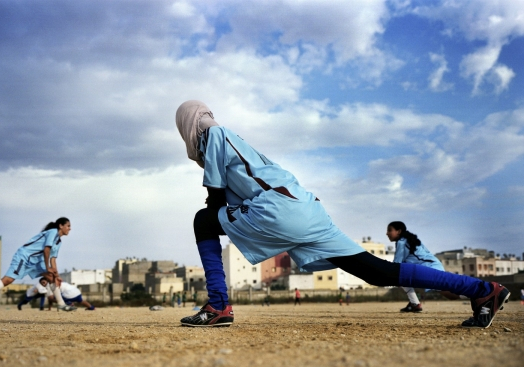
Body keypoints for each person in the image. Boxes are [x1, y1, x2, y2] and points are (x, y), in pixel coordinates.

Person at [175, 100, 510, 328]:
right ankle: (483, 290)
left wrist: (217, 215)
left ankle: (218, 305)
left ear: (186, 125)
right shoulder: (230, 142)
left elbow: (215, 194)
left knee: (203, 220)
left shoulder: (215, 134)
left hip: (281, 208)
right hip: (305, 209)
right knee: (378, 272)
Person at [0, 218, 76, 312]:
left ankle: (61, 305)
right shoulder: (52, 232)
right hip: (24, 256)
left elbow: (53, 259)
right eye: (68, 226)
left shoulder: (59, 241)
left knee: (51, 277)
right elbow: (46, 249)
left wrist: (57, 276)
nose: (70, 228)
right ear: (60, 226)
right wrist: (47, 267)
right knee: (7, 280)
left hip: (36, 261)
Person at [386, 221, 454, 313]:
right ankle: (414, 303)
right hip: (434, 265)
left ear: (398, 231)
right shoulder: (411, 240)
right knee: (404, 277)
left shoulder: (401, 242)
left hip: (429, 268)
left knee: (448, 293)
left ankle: (476, 295)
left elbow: (397, 263)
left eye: (390, 230)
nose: (387, 233)